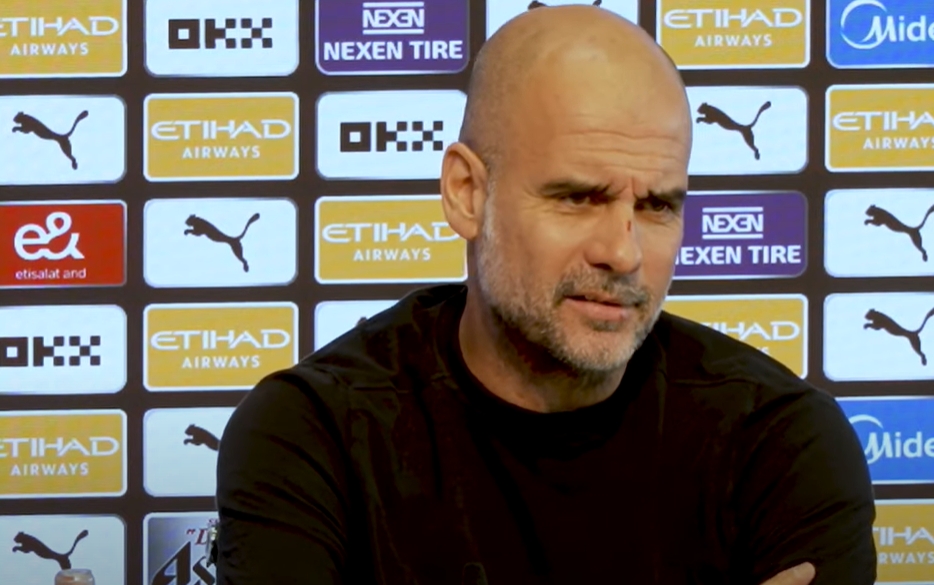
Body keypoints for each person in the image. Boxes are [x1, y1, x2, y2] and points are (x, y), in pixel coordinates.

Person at [214, 4, 877, 584]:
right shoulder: (313, 434)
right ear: (467, 194)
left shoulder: (782, 446)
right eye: (578, 197)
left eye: (657, 206)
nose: (622, 252)